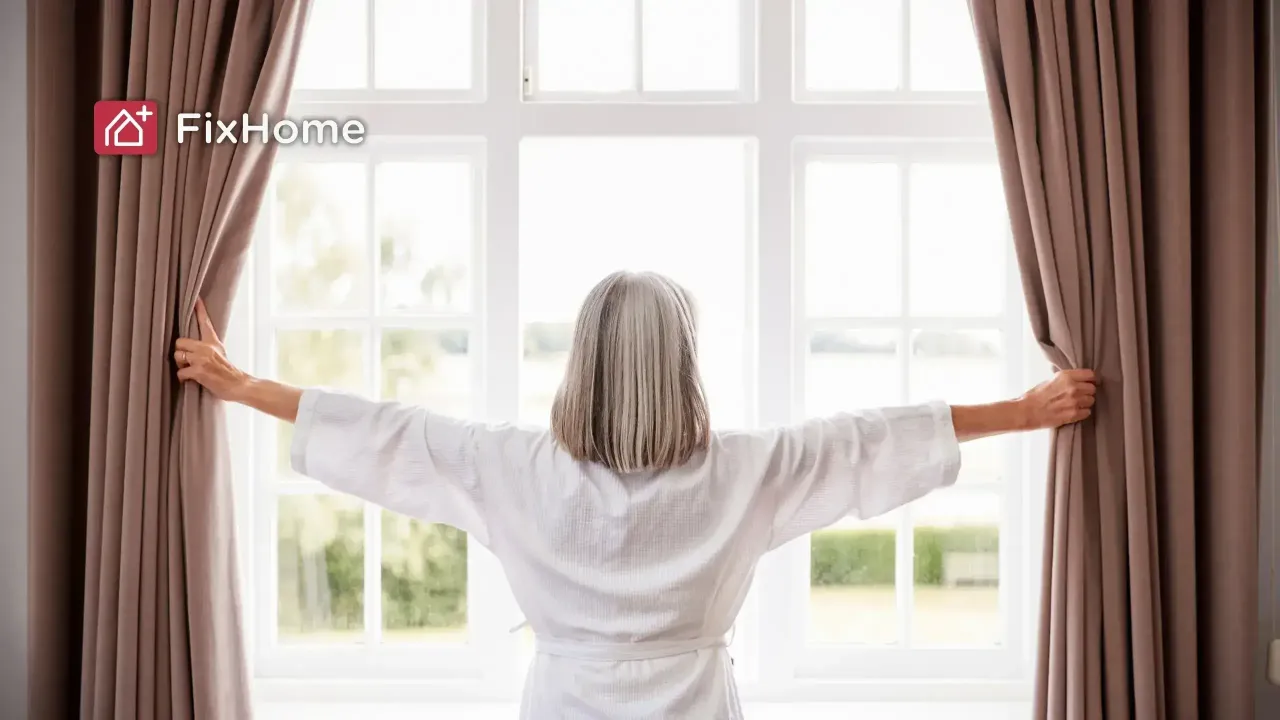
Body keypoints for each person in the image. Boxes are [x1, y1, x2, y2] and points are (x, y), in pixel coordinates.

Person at [175, 271, 1096, 720]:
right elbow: (870, 441)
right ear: (682, 368)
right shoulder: (744, 470)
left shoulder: (514, 467)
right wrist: (1024, 410)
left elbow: (382, 430)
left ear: (584, 363)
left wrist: (241, 381)